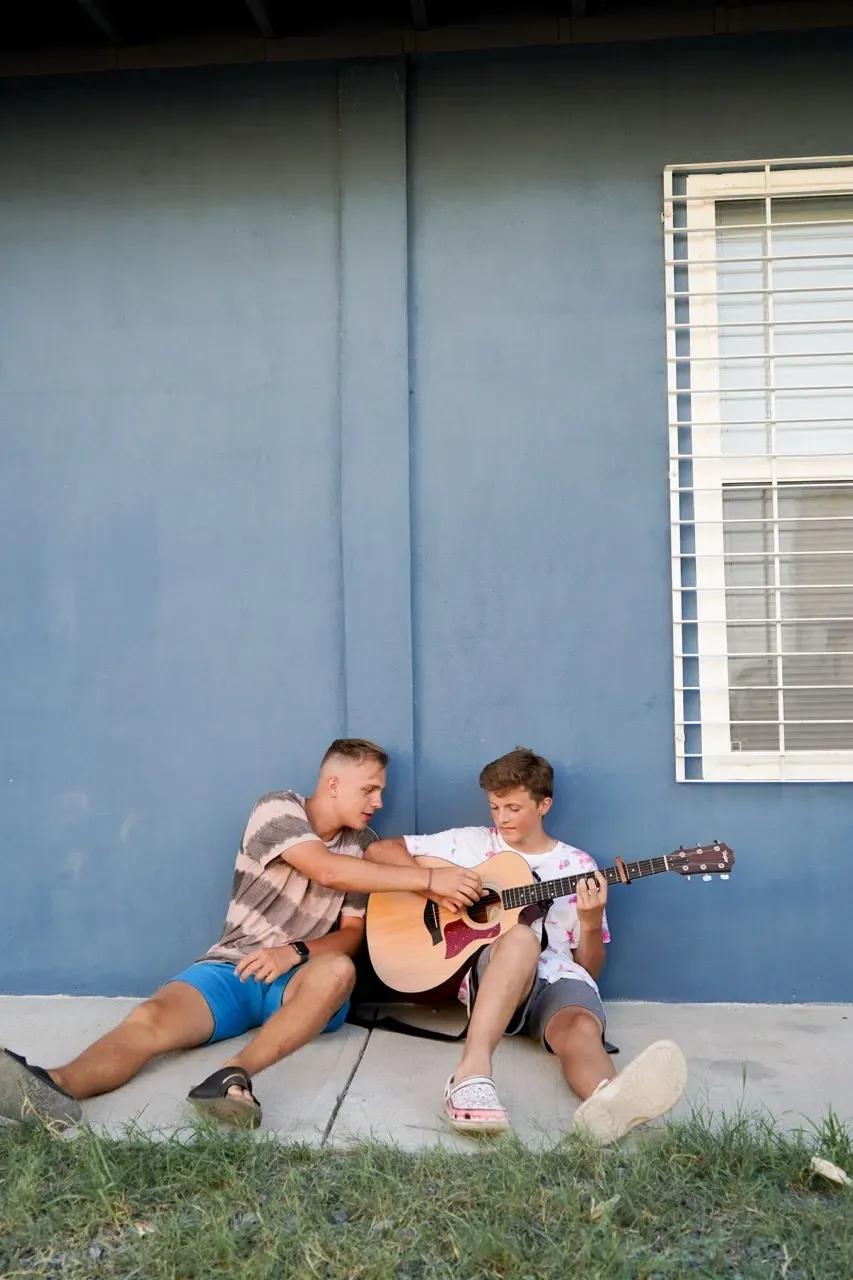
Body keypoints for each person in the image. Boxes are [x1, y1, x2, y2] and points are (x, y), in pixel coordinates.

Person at [0, 739, 481, 1130]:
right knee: (150, 1018)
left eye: (382, 792)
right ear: (333, 784)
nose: (380, 802)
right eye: (370, 790)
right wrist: (431, 881)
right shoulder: (277, 810)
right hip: (234, 967)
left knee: (337, 968)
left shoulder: (367, 847)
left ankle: (233, 1076)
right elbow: (326, 870)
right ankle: (50, 1087)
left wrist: (293, 952)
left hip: (301, 981)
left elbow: (352, 936)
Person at [365, 746, 687, 1144]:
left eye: (513, 808)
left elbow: (588, 969)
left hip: (551, 975)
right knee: (519, 936)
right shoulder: (472, 845)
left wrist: (589, 923)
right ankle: (470, 1076)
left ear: (544, 804)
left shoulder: (578, 866)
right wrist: (434, 885)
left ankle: (608, 1100)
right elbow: (379, 851)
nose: (501, 819)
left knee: (581, 1026)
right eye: (495, 807)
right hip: (493, 968)